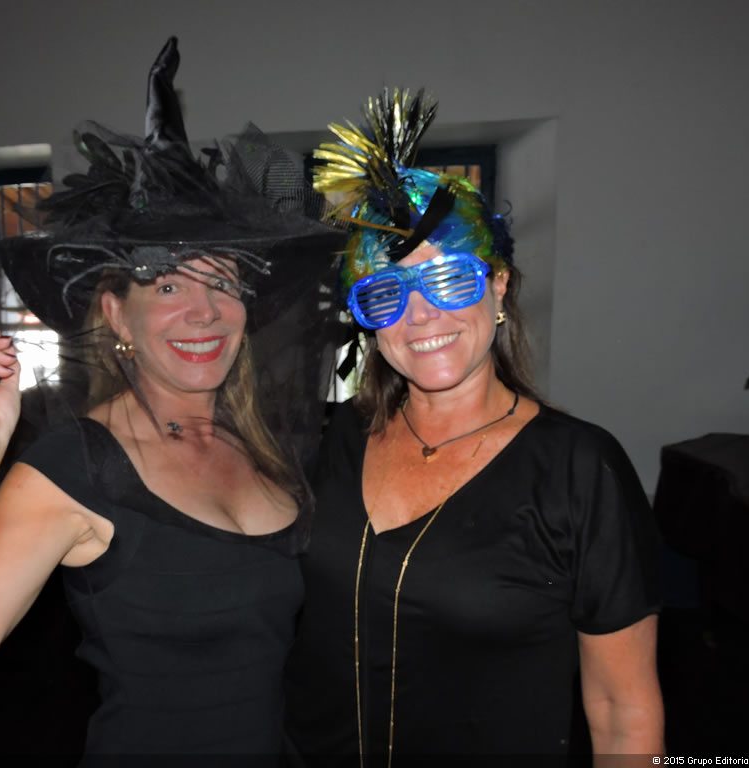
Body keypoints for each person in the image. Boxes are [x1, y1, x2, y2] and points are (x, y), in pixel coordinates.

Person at [0, 38, 343, 761]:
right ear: (117, 314)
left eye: (223, 283)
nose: (204, 311)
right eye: (168, 285)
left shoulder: (257, 443)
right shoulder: (79, 468)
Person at [284, 89, 664, 763]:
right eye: (386, 293)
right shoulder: (330, 440)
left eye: (450, 280)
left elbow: (621, 708)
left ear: (499, 285)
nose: (421, 315)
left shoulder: (579, 470)